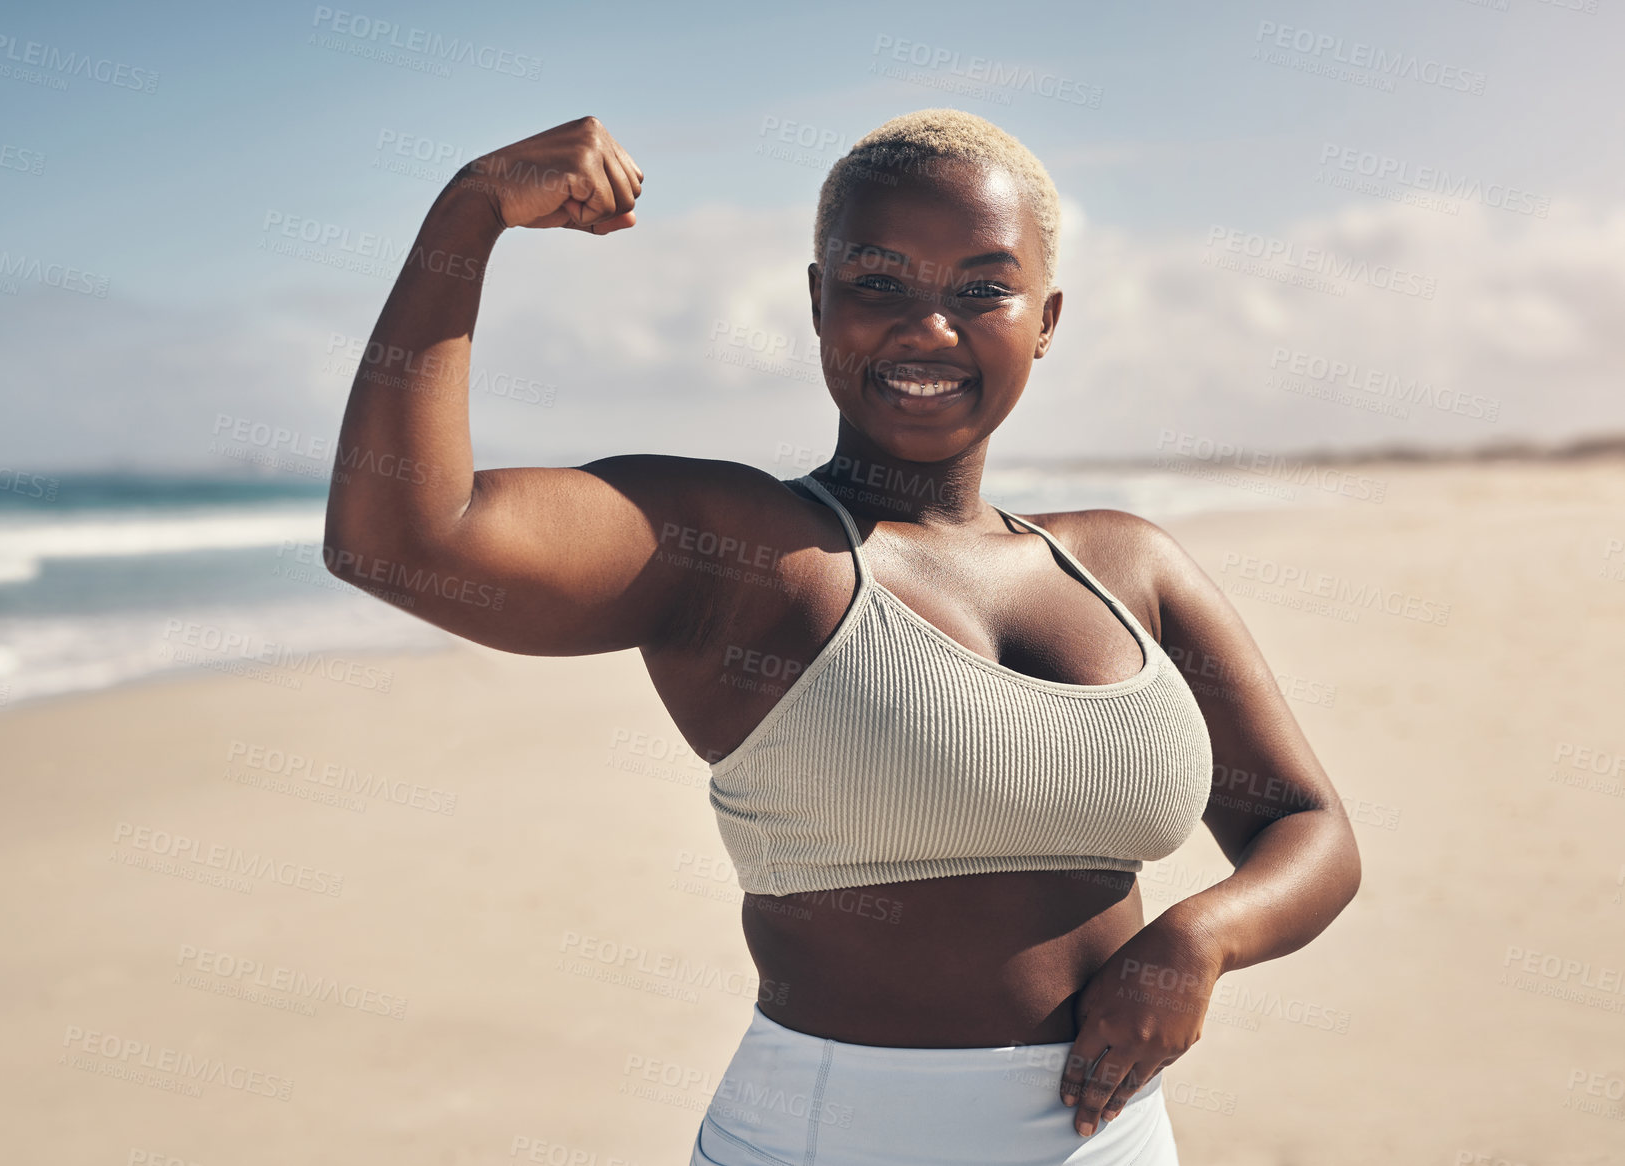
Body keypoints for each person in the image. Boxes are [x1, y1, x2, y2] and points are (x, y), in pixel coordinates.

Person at [323, 108, 1362, 1165]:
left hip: (1116, 1143)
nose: (927, 326)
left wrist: (1198, 939)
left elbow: (1308, 824)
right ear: (818, 302)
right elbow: (400, 533)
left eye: (980, 288)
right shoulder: (737, 551)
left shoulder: (1124, 565)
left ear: (1043, 319)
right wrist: (471, 209)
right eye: (877, 282)